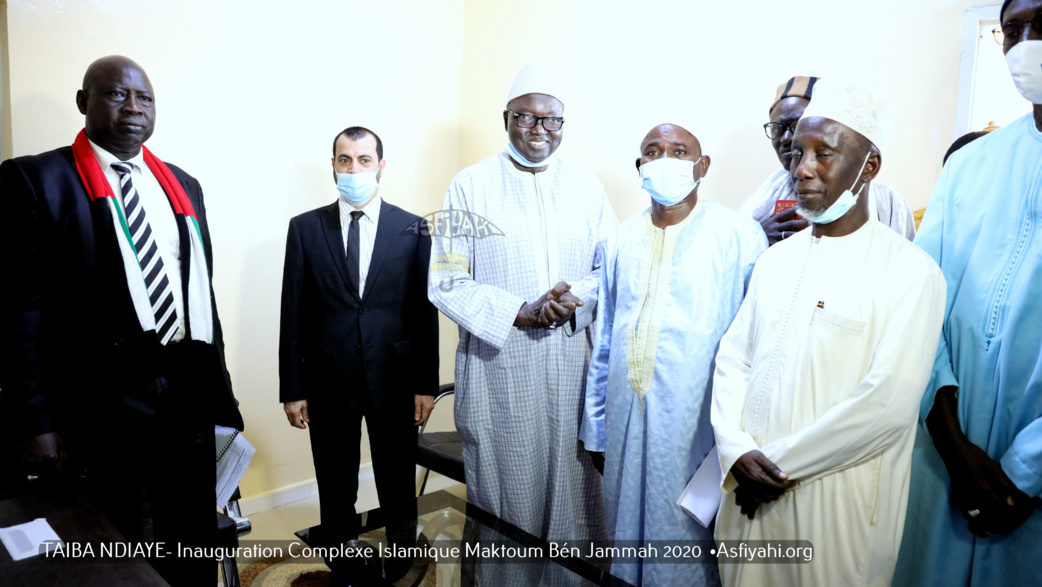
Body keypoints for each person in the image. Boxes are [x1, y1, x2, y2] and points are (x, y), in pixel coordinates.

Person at [0, 55, 243, 585]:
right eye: (116, 94)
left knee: (190, 541)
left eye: (145, 98)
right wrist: (34, 421)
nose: (133, 107)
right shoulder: (37, 179)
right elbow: (18, 314)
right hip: (99, 402)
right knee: (112, 547)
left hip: (186, 397)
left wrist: (221, 397)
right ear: (85, 102)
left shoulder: (184, 185)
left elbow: (201, 299)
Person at [710, 79, 946, 587]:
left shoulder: (911, 272)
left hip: (833, 509)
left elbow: (885, 407)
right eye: (797, 152)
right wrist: (734, 451)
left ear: (869, 166)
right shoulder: (774, 260)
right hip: (747, 500)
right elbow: (732, 361)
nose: (803, 168)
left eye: (824, 153)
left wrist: (769, 466)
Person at [428, 63, 617, 543]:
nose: (538, 129)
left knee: (579, 501)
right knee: (506, 506)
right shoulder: (468, 185)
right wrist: (520, 311)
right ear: (506, 119)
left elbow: (610, 269)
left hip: (574, 367)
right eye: (525, 117)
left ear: (561, 125)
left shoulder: (587, 188)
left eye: (550, 119)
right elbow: (446, 280)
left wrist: (574, 299)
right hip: (501, 373)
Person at [894, 1, 1042, 584]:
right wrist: (954, 447)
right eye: (1013, 31)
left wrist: (1023, 473)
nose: (1026, 43)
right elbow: (921, 305)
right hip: (944, 460)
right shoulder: (972, 163)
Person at [581, 121, 765, 586]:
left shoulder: (739, 236)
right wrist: (596, 428)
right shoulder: (619, 239)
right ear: (640, 166)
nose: (665, 159)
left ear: (701, 167)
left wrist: (744, 438)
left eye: (679, 151)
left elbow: (757, 346)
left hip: (699, 426)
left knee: (687, 541)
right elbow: (605, 339)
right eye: (653, 150)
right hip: (625, 420)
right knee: (623, 532)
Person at [279, 126, 438, 584]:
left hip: (396, 377)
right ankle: (342, 565)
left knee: (396, 480)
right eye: (344, 160)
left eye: (363, 160)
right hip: (328, 378)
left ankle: (402, 561)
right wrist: (293, 388)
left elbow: (423, 312)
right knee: (335, 481)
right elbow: (294, 312)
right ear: (333, 165)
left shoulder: (412, 228)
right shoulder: (305, 228)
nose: (353, 169)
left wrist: (426, 383)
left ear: (381, 166)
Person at [740, 76, 916, 245]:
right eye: (777, 128)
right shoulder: (765, 199)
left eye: (796, 125)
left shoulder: (887, 202)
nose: (786, 138)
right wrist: (758, 238)